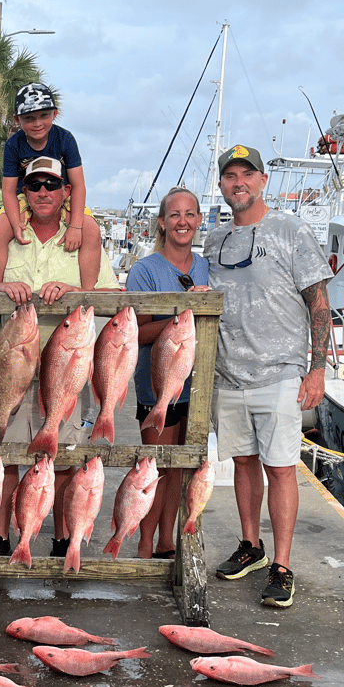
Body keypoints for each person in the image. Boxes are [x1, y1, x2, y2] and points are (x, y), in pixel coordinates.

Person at [0, 157, 119, 557]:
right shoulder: (6, 231)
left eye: (53, 184)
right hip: (11, 365)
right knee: (4, 454)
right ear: (25, 193)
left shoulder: (85, 235)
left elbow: (113, 297)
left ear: (67, 191)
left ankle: (63, 537)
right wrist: (2, 287)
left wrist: (74, 291)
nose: (44, 192)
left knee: (65, 457)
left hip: (68, 366)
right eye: (35, 186)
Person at [203, 145, 333, 609]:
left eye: (247, 174)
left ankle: (282, 564)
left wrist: (316, 369)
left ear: (262, 181)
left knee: (280, 467)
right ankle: (250, 545)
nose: (238, 182)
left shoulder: (291, 229)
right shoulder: (214, 242)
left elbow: (319, 302)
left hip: (279, 371)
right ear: (221, 185)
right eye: (229, 176)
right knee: (242, 462)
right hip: (229, 373)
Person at [126, 186, 210, 559]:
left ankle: (166, 540)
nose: (182, 221)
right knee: (153, 468)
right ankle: (144, 544)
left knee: (179, 469)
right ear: (162, 222)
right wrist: (179, 318)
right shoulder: (145, 271)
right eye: (174, 215)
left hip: (196, 387)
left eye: (190, 214)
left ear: (199, 220)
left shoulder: (207, 266)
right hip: (157, 386)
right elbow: (136, 333)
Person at [0, 82, 99, 286]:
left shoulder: (65, 139)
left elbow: (78, 185)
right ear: (17, 120)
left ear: (54, 114)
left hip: (63, 194)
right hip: (26, 195)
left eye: (43, 116)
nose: (37, 123)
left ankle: (86, 295)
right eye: (29, 118)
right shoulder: (13, 144)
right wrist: (15, 223)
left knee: (91, 229)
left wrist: (75, 226)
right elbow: (9, 191)